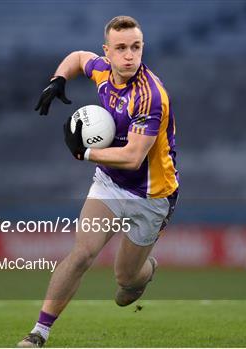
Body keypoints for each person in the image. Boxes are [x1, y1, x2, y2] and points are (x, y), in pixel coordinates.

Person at [18, 16, 179, 348]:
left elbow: (134, 157)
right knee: (82, 254)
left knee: (125, 285)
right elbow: (78, 57)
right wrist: (58, 79)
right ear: (108, 52)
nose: (129, 55)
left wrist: (85, 153)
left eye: (135, 47)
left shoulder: (151, 96)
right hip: (109, 184)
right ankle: (39, 333)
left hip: (152, 195)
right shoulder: (103, 70)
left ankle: (147, 270)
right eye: (120, 48)